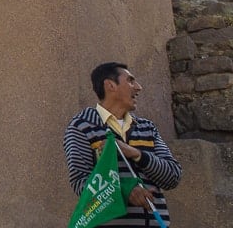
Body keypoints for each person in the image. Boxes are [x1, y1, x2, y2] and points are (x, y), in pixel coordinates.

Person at [64, 62, 182, 226]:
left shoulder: (147, 128)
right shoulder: (82, 127)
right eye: (130, 81)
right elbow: (81, 184)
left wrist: (136, 154)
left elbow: (173, 176)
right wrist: (126, 191)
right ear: (110, 85)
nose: (138, 87)